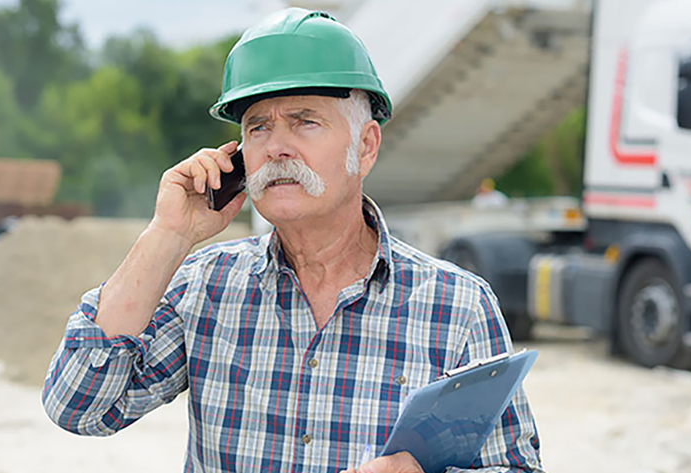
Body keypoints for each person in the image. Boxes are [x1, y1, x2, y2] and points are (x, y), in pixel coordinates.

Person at [41, 8, 544, 473]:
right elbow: (79, 406)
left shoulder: (456, 305)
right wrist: (169, 235)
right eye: (257, 127)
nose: (276, 147)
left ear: (365, 147)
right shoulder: (207, 287)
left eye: (304, 121)